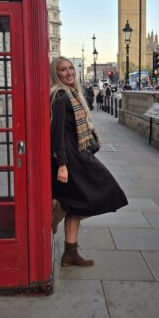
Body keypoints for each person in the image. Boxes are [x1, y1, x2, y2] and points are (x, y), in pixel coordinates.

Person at [50, 56, 128, 267]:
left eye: (70, 69)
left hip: (79, 153)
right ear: (55, 74)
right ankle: (57, 209)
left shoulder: (73, 94)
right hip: (71, 159)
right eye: (62, 70)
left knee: (78, 205)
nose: (69, 73)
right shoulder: (60, 97)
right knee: (105, 188)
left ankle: (70, 252)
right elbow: (55, 135)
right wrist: (62, 164)